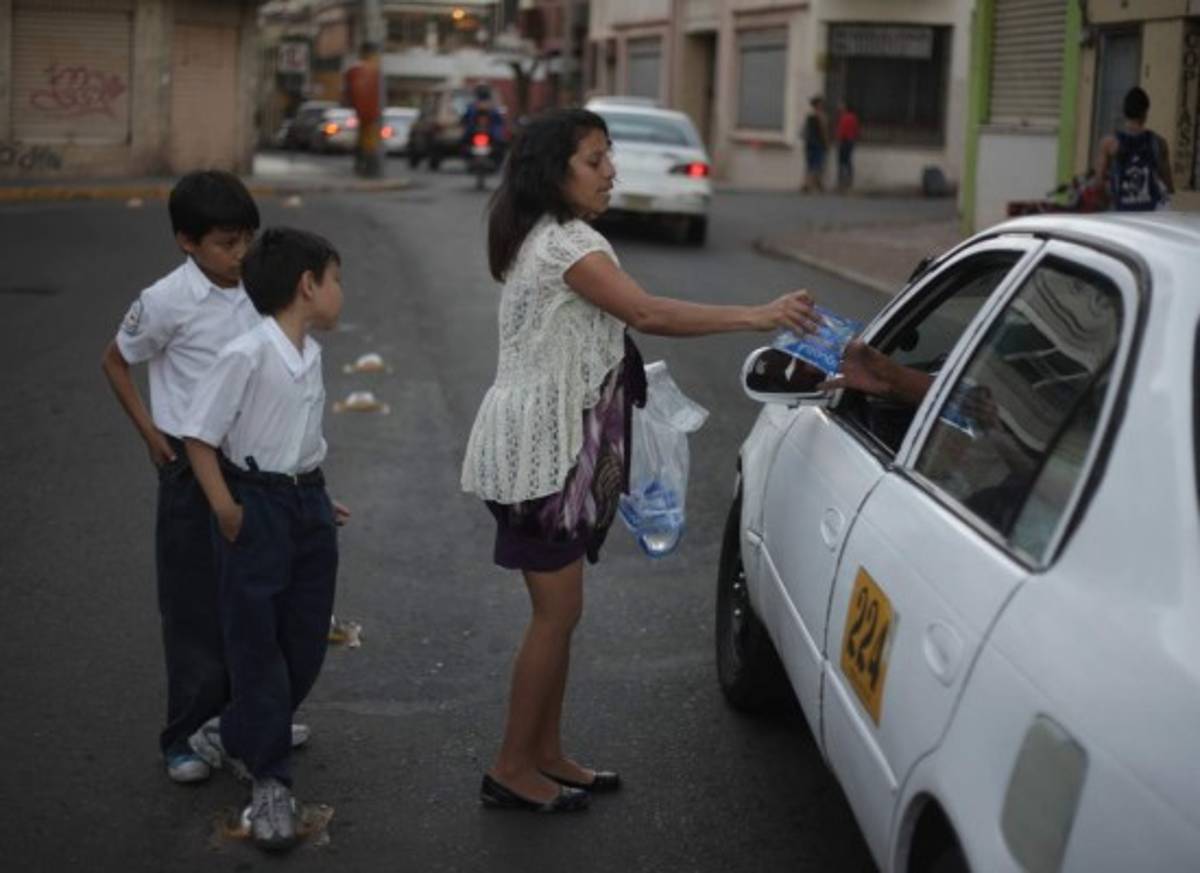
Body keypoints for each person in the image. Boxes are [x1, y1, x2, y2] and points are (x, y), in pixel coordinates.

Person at [460, 108, 818, 813]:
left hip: (549, 445)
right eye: (595, 160)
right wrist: (759, 314)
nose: (611, 171)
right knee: (554, 616)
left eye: (609, 156)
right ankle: (511, 767)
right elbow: (648, 314)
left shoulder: (552, 233)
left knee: (562, 615)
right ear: (555, 172)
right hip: (538, 453)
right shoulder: (566, 245)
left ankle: (546, 753)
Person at [181, 227, 345, 851]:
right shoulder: (246, 353)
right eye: (335, 280)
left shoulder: (310, 353)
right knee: (256, 646)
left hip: (307, 503)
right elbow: (199, 437)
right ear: (308, 285)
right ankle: (270, 782)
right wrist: (227, 509)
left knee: (304, 640)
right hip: (257, 507)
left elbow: (297, 435)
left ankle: (235, 730)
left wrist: (317, 494)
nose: (340, 292)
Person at [100, 170, 266, 785]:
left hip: (255, 464)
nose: (240, 254)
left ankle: (247, 719)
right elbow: (116, 361)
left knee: (255, 596)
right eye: (226, 243)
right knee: (194, 603)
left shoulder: (259, 283)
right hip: (191, 468)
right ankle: (185, 735)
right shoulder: (167, 300)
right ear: (187, 242)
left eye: (246, 238)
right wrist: (152, 436)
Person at [1094, 86, 1174, 211]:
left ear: (1124, 112)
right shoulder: (1158, 143)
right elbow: (1168, 185)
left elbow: (1099, 183)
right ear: (1145, 113)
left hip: (1120, 213)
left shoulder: (1109, 143)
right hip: (1150, 214)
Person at [801, 96, 829, 193]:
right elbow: (824, 130)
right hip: (818, 143)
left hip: (809, 143)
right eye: (821, 104)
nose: (822, 105)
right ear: (818, 105)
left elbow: (804, 130)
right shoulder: (821, 116)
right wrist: (826, 143)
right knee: (817, 164)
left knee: (810, 165)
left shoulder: (809, 116)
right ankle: (815, 185)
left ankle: (808, 184)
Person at [835, 101, 860, 192]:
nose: (840, 108)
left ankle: (841, 183)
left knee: (842, 162)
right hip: (850, 141)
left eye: (842, 107)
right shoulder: (853, 117)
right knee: (848, 161)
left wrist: (839, 139)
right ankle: (848, 181)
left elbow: (841, 131)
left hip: (844, 141)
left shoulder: (845, 117)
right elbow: (856, 130)